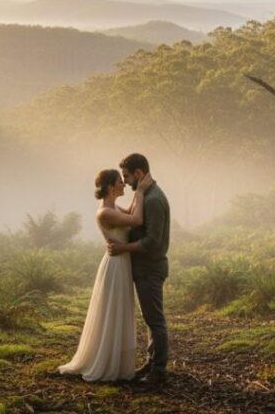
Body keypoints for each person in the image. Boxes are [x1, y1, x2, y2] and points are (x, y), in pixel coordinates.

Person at [59, 168, 152, 381]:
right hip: (116, 264)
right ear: (110, 186)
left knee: (119, 309)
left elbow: (130, 212)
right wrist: (141, 191)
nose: (123, 185)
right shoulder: (105, 212)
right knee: (113, 309)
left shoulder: (113, 207)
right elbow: (136, 220)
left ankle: (116, 362)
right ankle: (106, 363)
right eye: (120, 181)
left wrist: (139, 192)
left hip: (121, 261)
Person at [106, 153, 170, 387]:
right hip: (144, 267)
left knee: (155, 320)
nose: (126, 180)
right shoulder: (146, 195)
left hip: (150, 267)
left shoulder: (152, 200)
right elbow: (131, 215)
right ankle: (152, 362)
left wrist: (123, 247)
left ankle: (160, 370)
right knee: (150, 318)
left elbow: (153, 241)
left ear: (139, 174)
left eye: (127, 176)